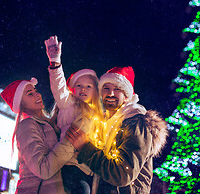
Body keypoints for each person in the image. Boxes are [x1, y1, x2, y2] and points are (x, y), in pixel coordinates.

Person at [66, 66, 168, 194]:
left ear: (126, 95)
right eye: (106, 88)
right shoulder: (104, 122)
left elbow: (123, 175)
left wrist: (85, 148)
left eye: (117, 89)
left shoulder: (135, 123)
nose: (110, 94)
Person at [44, 36, 104, 193]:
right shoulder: (68, 103)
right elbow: (59, 88)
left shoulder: (99, 117)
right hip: (67, 165)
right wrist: (55, 62)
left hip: (87, 170)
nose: (83, 89)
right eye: (79, 85)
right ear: (73, 89)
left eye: (88, 86)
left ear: (96, 92)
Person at [1, 77, 69, 194]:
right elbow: (43, 169)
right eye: (30, 94)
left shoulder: (47, 124)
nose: (37, 95)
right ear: (20, 103)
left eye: (35, 90)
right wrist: (70, 144)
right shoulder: (27, 126)